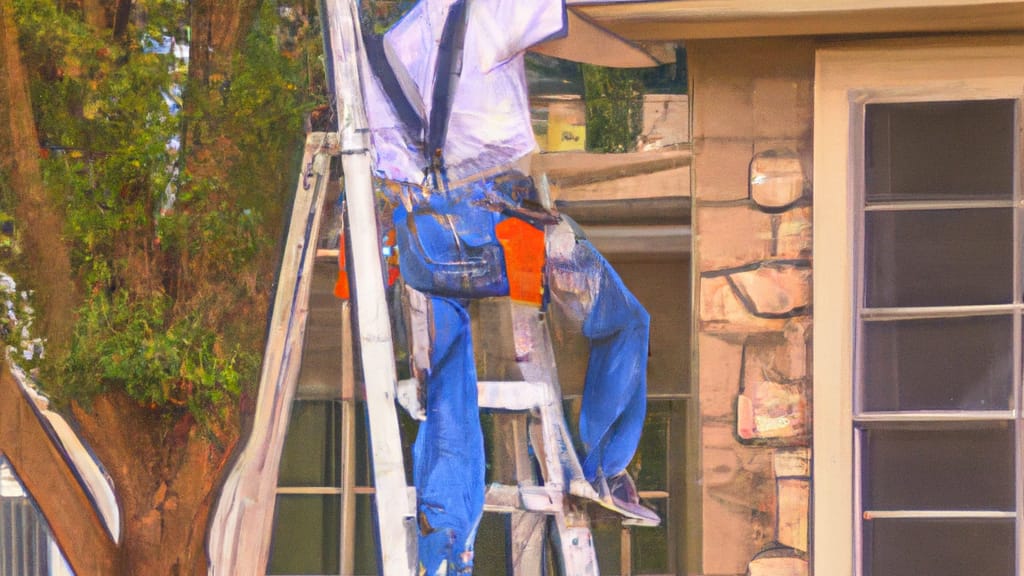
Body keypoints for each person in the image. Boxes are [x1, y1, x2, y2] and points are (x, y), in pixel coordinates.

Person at [356, 1, 657, 572]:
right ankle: (602, 467)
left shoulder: (386, 49)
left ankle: (448, 547)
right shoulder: (487, 8)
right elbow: (578, 32)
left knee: (447, 383)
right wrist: (649, 53)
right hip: (499, 233)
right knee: (624, 319)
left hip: (422, 238)